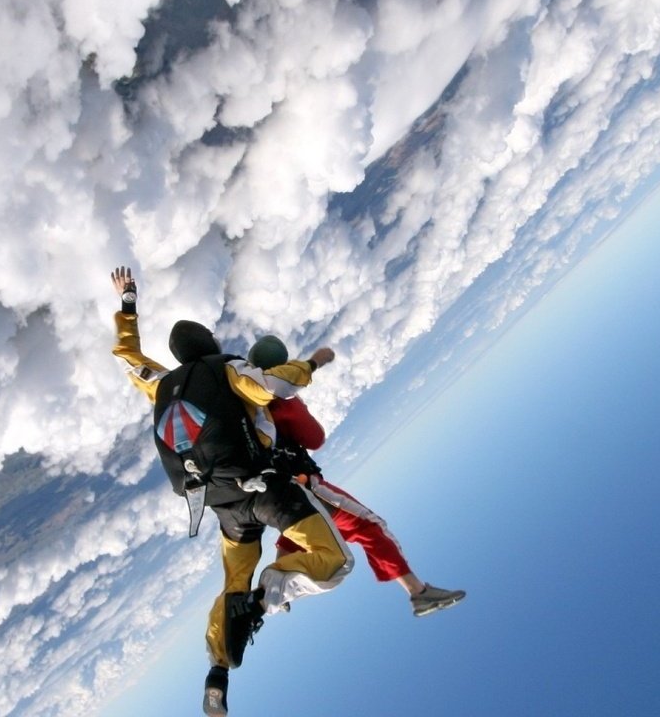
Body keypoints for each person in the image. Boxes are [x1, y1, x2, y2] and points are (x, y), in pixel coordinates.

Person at [108, 267, 353, 716]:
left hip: (222, 508)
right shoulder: (225, 368)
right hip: (266, 490)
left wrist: (128, 304)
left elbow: (127, 357)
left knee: (232, 584)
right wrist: (314, 363)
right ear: (210, 345)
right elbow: (272, 387)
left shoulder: (161, 384)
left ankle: (217, 673)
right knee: (334, 561)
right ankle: (266, 597)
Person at [249, 335, 466, 617]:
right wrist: (297, 404)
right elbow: (314, 438)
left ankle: (269, 593)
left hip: (273, 490)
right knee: (369, 527)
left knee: (300, 533)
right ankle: (418, 592)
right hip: (303, 484)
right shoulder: (282, 401)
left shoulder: (247, 400)